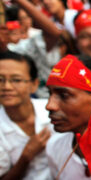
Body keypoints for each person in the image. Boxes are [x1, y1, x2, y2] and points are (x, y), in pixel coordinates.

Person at [0, 51, 52, 180]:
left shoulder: (52, 110)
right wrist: (27, 155)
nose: (7, 87)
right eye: (0, 80)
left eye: (16, 80)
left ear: (34, 85)